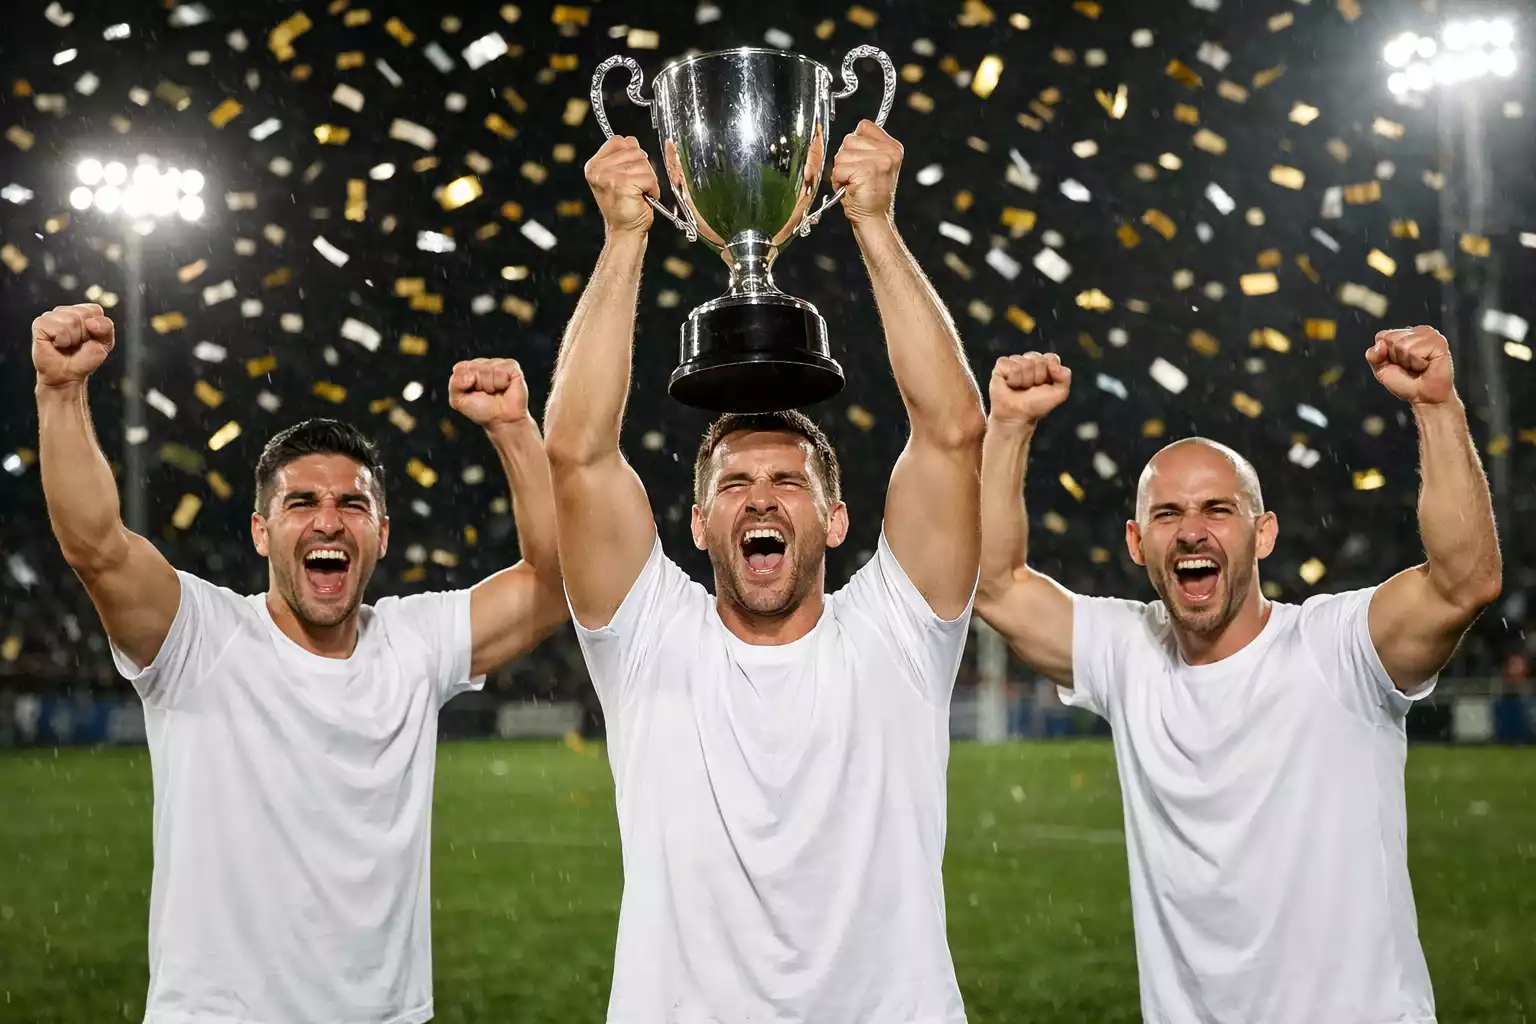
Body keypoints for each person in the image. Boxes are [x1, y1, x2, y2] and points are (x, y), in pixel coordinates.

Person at [544, 123, 986, 1022]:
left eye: (789, 481)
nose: (760, 500)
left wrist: (876, 225)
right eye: (734, 484)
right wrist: (624, 237)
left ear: (835, 517)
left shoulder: (897, 634)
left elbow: (951, 432)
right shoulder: (648, 638)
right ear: (699, 524)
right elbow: (578, 454)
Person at [32, 303, 568, 1024]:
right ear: (261, 531)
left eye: (352, 504)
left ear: (380, 533)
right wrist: (62, 393)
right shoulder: (201, 637)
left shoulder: (414, 643)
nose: (327, 521)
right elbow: (96, 545)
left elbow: (553, 581)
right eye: (301, 503)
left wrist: (513, 431)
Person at [974, 331, 1501, 1024]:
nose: (1192, 531)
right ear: (1137, 543)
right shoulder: (1129, 652)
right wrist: (1008, 426)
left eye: (1218, 509)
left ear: (1264, 533)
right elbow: (994, 586)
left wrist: (1437, 407)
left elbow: (1465, 581)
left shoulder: (1335, 648)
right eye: (1167, 513)